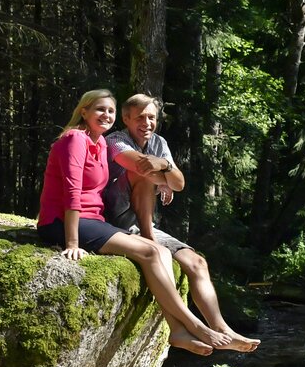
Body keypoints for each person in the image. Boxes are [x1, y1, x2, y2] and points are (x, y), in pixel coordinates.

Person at [37, 89, 239, 357]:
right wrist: (72, 242)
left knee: (161, 252)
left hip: (94, 220)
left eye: (109, 110)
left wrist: (163, 168)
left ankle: (176, 330)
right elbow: (74, 191)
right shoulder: (80, 139)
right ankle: (194, 325)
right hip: (63, 222)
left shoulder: (97, 144)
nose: (106, 115)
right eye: (100, 110)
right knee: (150, 250)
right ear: (84, 111)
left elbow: (177, 183)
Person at [103, 93, 259, 353]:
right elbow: (139, 167)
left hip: (140, 223)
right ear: (126, 119)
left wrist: (163, 166)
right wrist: (161, 176)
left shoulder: (159, 143)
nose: (147, 123)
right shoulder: (116, 140)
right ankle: (182, 327)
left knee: (197, 262)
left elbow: (179, 183)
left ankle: (222, 329)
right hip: (115, 221)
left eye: (151, 117)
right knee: (142, 175)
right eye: (140, 117)